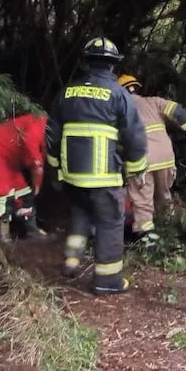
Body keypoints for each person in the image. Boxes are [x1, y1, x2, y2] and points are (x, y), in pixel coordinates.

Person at [46, 37, 148, 295]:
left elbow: (52, 136)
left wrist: (56, 169)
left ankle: (71, 260)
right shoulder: (118, 94)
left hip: (72, 177)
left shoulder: (66, 92)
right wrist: (136, 168)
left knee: (80, 214)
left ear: (85, 62)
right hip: (103, 179)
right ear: (113, 66)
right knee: (110, 223)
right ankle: (107, 281)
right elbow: (134, 136)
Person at [117, 74, 186, 241]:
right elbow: (177, 111)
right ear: (137, 88)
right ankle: (168, 233)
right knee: (163, 197)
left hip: (141, 162)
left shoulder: (121, 110)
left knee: (142, 203)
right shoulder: (153, 101)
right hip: (165, 158)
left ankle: (148, 243)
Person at [0, 113, 49, 243]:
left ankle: (31, 230)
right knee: (2, 194)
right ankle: (1, 235)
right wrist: (36, 166)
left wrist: (37, 178)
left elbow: (38, 162)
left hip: (11, 159)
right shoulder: (39, 123)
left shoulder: (45, 129)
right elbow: (30, 142)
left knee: (24, 193)